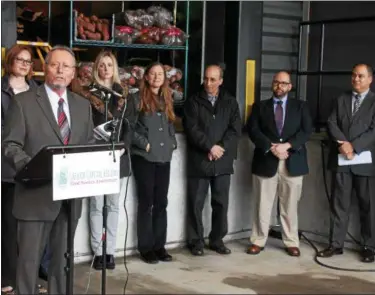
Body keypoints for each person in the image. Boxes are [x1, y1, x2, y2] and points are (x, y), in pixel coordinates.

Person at [2, 45, 95, 295]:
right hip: (34, 195)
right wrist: (33, 169)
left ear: (74, 73)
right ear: (45, 68)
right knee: (29, 264)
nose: (60, 70)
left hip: (69, 198)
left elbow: (88, 145)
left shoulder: (82, 106)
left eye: (66, 66)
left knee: (62, 263)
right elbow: (10, 145)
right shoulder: (23, 102)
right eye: (55, 64)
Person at [71, 50, 131, 270]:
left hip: (118, 156)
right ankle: (98, 252)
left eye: (109, 64)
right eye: (102, 65)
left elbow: (129, 126)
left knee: (113, 207)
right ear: (96, 69)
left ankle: (110, 252)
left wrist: (123, 147)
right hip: (96, 156)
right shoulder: (87, 94)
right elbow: (83, 125)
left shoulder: (123, 95)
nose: (106, 69)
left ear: (115, 68)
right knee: (96, 206)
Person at [246, 71, 313, 257]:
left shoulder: (301, 107)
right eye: (276, 82)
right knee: (262, 204)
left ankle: (291, 242)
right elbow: (253, 130)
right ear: (272, 84)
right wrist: (270, 147)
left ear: (290, 86)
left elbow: (307, 130)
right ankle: (258, 241)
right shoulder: (260, 106)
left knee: (290, 205)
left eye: (284, 83)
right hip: (266, 160)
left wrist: (288, 146)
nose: (279, 86)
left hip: (292, 161)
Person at [1, 44, 49, 295]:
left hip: (34, 166)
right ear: (10, 61)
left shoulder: (37, 91)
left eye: (28, 61)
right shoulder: (2, 90)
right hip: (8, 167)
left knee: (29, 227)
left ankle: (28, 278)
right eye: (19, 59)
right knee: (9, 227)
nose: (24, 64)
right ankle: (7, 277)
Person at [318, 63, 375, 263]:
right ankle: (336, 245)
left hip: (364, 163)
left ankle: (368, 246)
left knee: (367, 205)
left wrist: (354, 146)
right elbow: (332, 123)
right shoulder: (341, 99)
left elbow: (373, 131)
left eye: (360, 76)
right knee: (338, 205)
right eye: (353, 76)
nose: (356, 80)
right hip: (342, 159)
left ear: (370, 79)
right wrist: (343, 144)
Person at [183, 64, 241, 256]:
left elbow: (235, 130)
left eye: (213, 79)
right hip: (200, 160)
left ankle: (217, 240)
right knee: (196, 204)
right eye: (206, 79)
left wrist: (219, 148)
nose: (208, 83)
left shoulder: (230, 102)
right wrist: (209, 147)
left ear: (221, 81)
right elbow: (192, 129)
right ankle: (196, 242)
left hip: (222, 161)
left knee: (221, 203)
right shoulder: (193, 101)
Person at [128, 62, 177, 264]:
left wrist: (172, 142)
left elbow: (170, 124)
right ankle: (146, 247)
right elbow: (128, 127)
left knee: (161, 203)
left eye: (160, 74)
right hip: (145, 158)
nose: (157, 77)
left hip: (164, 157)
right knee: (146, 203)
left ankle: (159, 246)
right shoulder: (136, 98)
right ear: (146, 77)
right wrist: (145, 144)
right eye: (153, 74)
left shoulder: (167, 98)